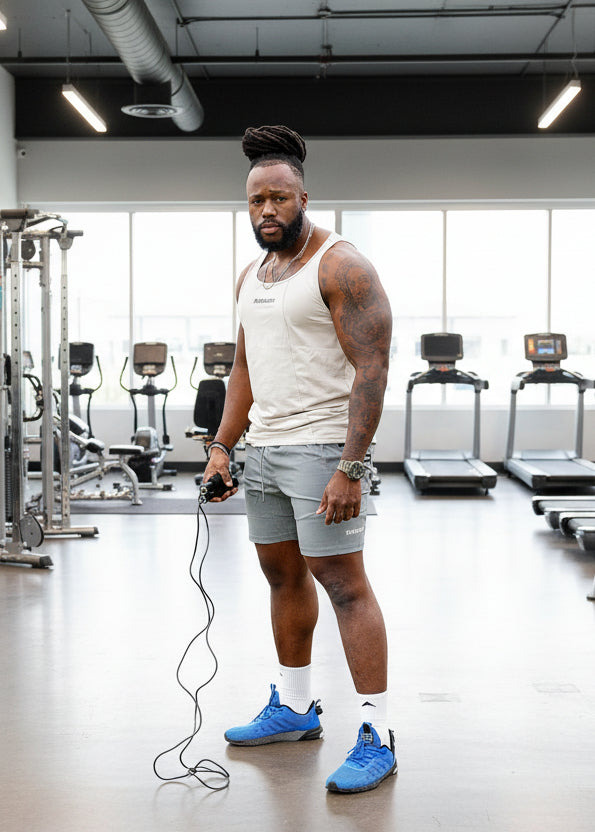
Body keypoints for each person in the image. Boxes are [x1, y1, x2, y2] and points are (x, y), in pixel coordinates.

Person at [202, 125, 395, 794]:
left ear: (303, 197)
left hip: (322, 451)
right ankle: (293, 706)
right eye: (256, 201)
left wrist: (351, 466)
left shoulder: (342, 266)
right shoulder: (251, 275)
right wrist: (222, 447)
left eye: (278, 199)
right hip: (266, 451)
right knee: (281, 579)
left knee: (343, 585)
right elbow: (244, 370)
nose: (266, 212)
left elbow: (372, 368)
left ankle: (377, 732)